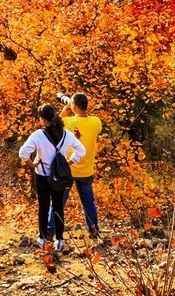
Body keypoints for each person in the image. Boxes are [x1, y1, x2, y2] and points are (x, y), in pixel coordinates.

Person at [18, 103, 86, 252]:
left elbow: (23, 153)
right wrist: (68, 162)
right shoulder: (67, 134)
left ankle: (42, 239)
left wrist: (32, 164)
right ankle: (59, 240)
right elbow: (81, 151)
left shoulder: (38, 135)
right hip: (60, 177)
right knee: (58, 207)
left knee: (43, 207)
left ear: (42, 119)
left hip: (43, 175)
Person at [62, 92, 103, 239]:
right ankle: (93, 230)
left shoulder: (69, 122)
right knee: (88, 202)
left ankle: (50, 232)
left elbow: (55, 126)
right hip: (86, 169)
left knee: (59, 202)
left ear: (73, 106)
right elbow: (90, 121)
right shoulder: (96, 122)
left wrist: (65, 111)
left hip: (69, 168)